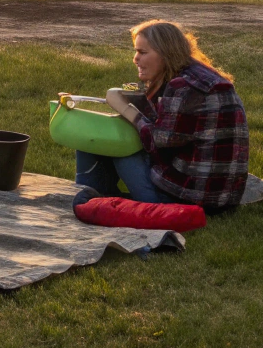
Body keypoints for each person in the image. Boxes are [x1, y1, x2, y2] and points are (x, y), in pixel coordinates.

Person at [82, 20, 250, 213]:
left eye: (143, 52)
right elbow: (173, 130)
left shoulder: (183, 86)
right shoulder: (200, 76)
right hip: (221, 200)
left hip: (183, 202)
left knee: (102, 137)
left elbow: (156, 142)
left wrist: (125, 108)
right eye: (136, 51)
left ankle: (89, 198)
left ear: (166, 53)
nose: (135, 59)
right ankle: (97, 196)